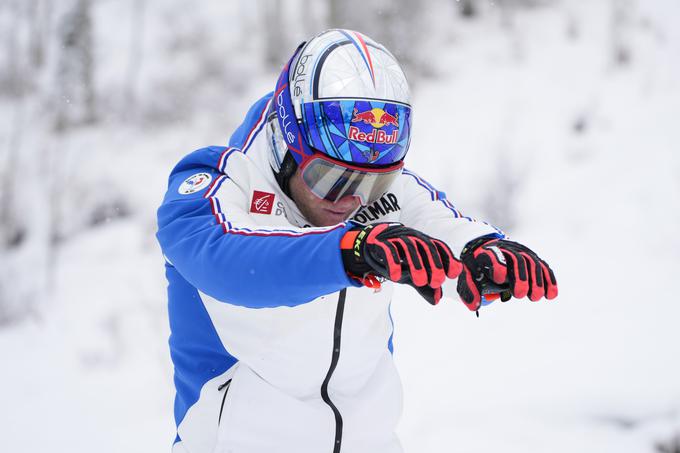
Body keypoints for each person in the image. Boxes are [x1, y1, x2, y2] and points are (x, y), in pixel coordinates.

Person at [156, 29, 558, 453]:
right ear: (285, 146)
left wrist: (486, 258)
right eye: (329, 178)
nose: (352, 200)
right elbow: (228, 263)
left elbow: (446, 232)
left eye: (374, 182)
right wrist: (349, 253)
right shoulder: (217, 185)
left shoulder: (380, 195)